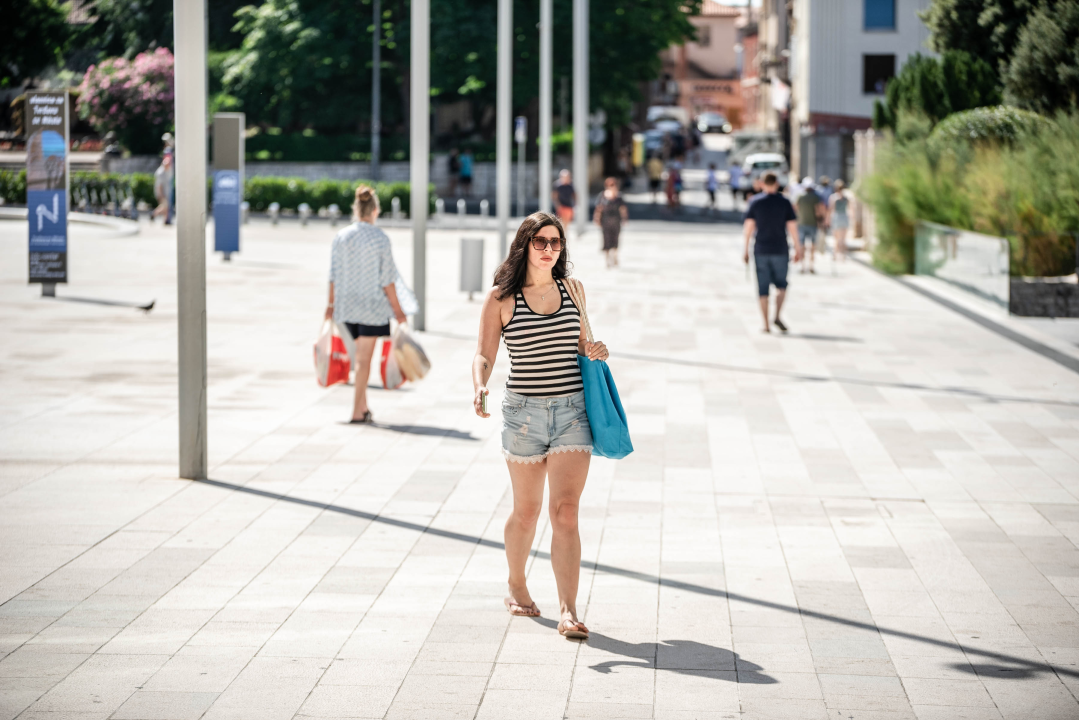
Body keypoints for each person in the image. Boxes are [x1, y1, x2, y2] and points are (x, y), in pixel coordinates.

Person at [472, 212, 609, 640]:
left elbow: (582, 345)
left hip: (573, 412)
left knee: (565, 512)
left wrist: (595, 350)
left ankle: (569, 611)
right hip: (524, 416)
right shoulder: (501, 298)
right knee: (527, 511)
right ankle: (516, 583)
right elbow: (484, 354)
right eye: (540, 242)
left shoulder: (573, 290)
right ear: (524, 245)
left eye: (556, 242)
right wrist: (480, 385)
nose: (549, 249)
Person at [325, 185, 410, 424]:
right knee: (363, 362)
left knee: (360, 360)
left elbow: (333, 275)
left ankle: (363, 408)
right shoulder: (380, 239)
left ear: (356, 209)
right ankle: (356, 411)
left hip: (345, 307)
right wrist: (399, 312)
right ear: (375, 210)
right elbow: (388, 281)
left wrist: (330, 306)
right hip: (372, 309)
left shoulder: (341, 236)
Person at [743, 172, 803, 334]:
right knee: (781, 285)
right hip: (781, 249)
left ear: (762, 184)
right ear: (776, 184)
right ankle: (776, 316)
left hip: (761, 249)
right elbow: (792, 227)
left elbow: (748, 228)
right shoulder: (785, 202)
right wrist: (798, 248)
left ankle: (766, 324)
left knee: (762, 288)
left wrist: (745, 249)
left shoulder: (755, 202)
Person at [594, 177, 628, 268]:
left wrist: (624, 219)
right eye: (610, 185)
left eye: (613, 185)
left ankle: (615, 256)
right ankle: (607, 259)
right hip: (605, 221)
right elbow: (599, 208)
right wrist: (597, 218)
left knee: (615, 239)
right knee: (606, 239)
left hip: (616, 221)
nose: (612, 187)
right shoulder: (602, 196)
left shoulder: (619, 197)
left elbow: (623, 209)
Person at [794, 177, 825, 274]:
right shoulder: (815, 197)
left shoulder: (800, 196)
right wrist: (821, 221)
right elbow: (818, 211)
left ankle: (802, 266)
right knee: (812, 246)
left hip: (801, 223)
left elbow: (795, 208)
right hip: (813, 223)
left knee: (802, 245)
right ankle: (811, 266)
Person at [828, 179, 851, 262]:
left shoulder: (833, 197)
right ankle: (843, 256)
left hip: (836, 217)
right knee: (843, 239)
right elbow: (850, 209)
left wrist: (828, 219)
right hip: (844, 217)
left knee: (836, 238)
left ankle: (835, 255)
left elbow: (831, 209)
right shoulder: (846, 198)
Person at [152, 153, 173, 224]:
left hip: (166, 192)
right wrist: (161, 195)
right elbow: (159, 185)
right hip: (162, 193)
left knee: (165, 207)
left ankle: (165, 221)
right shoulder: (160, 172)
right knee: (165, 207)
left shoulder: (168, 170)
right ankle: (153, 214)